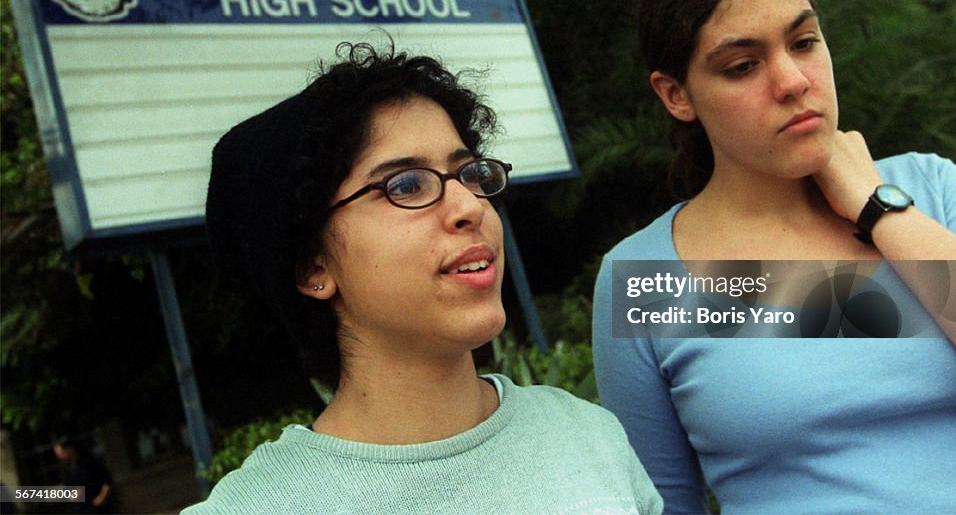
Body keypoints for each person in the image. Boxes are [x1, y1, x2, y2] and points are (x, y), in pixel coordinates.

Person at [592, 0, 956, 514]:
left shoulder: (931, 189)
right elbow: (662, 504)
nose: (793, 80)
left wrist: (877, 207)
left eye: (803, 42)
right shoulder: (643, 276)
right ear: (676, 95)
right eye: (743, 66)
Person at [183, 42, 662, 514]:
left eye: (470, 174)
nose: (469, 207)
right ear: (313, 267)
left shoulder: (586, 434)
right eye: (407, 185)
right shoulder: (260, 506)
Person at [52, 436, 114, 514]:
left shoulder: (89, 462)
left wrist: (102, 497)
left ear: (69, 449)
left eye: (61, 453)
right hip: (81, 509)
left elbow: (107, 480)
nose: (60, 457)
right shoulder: (67, 470)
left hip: (98, 508)